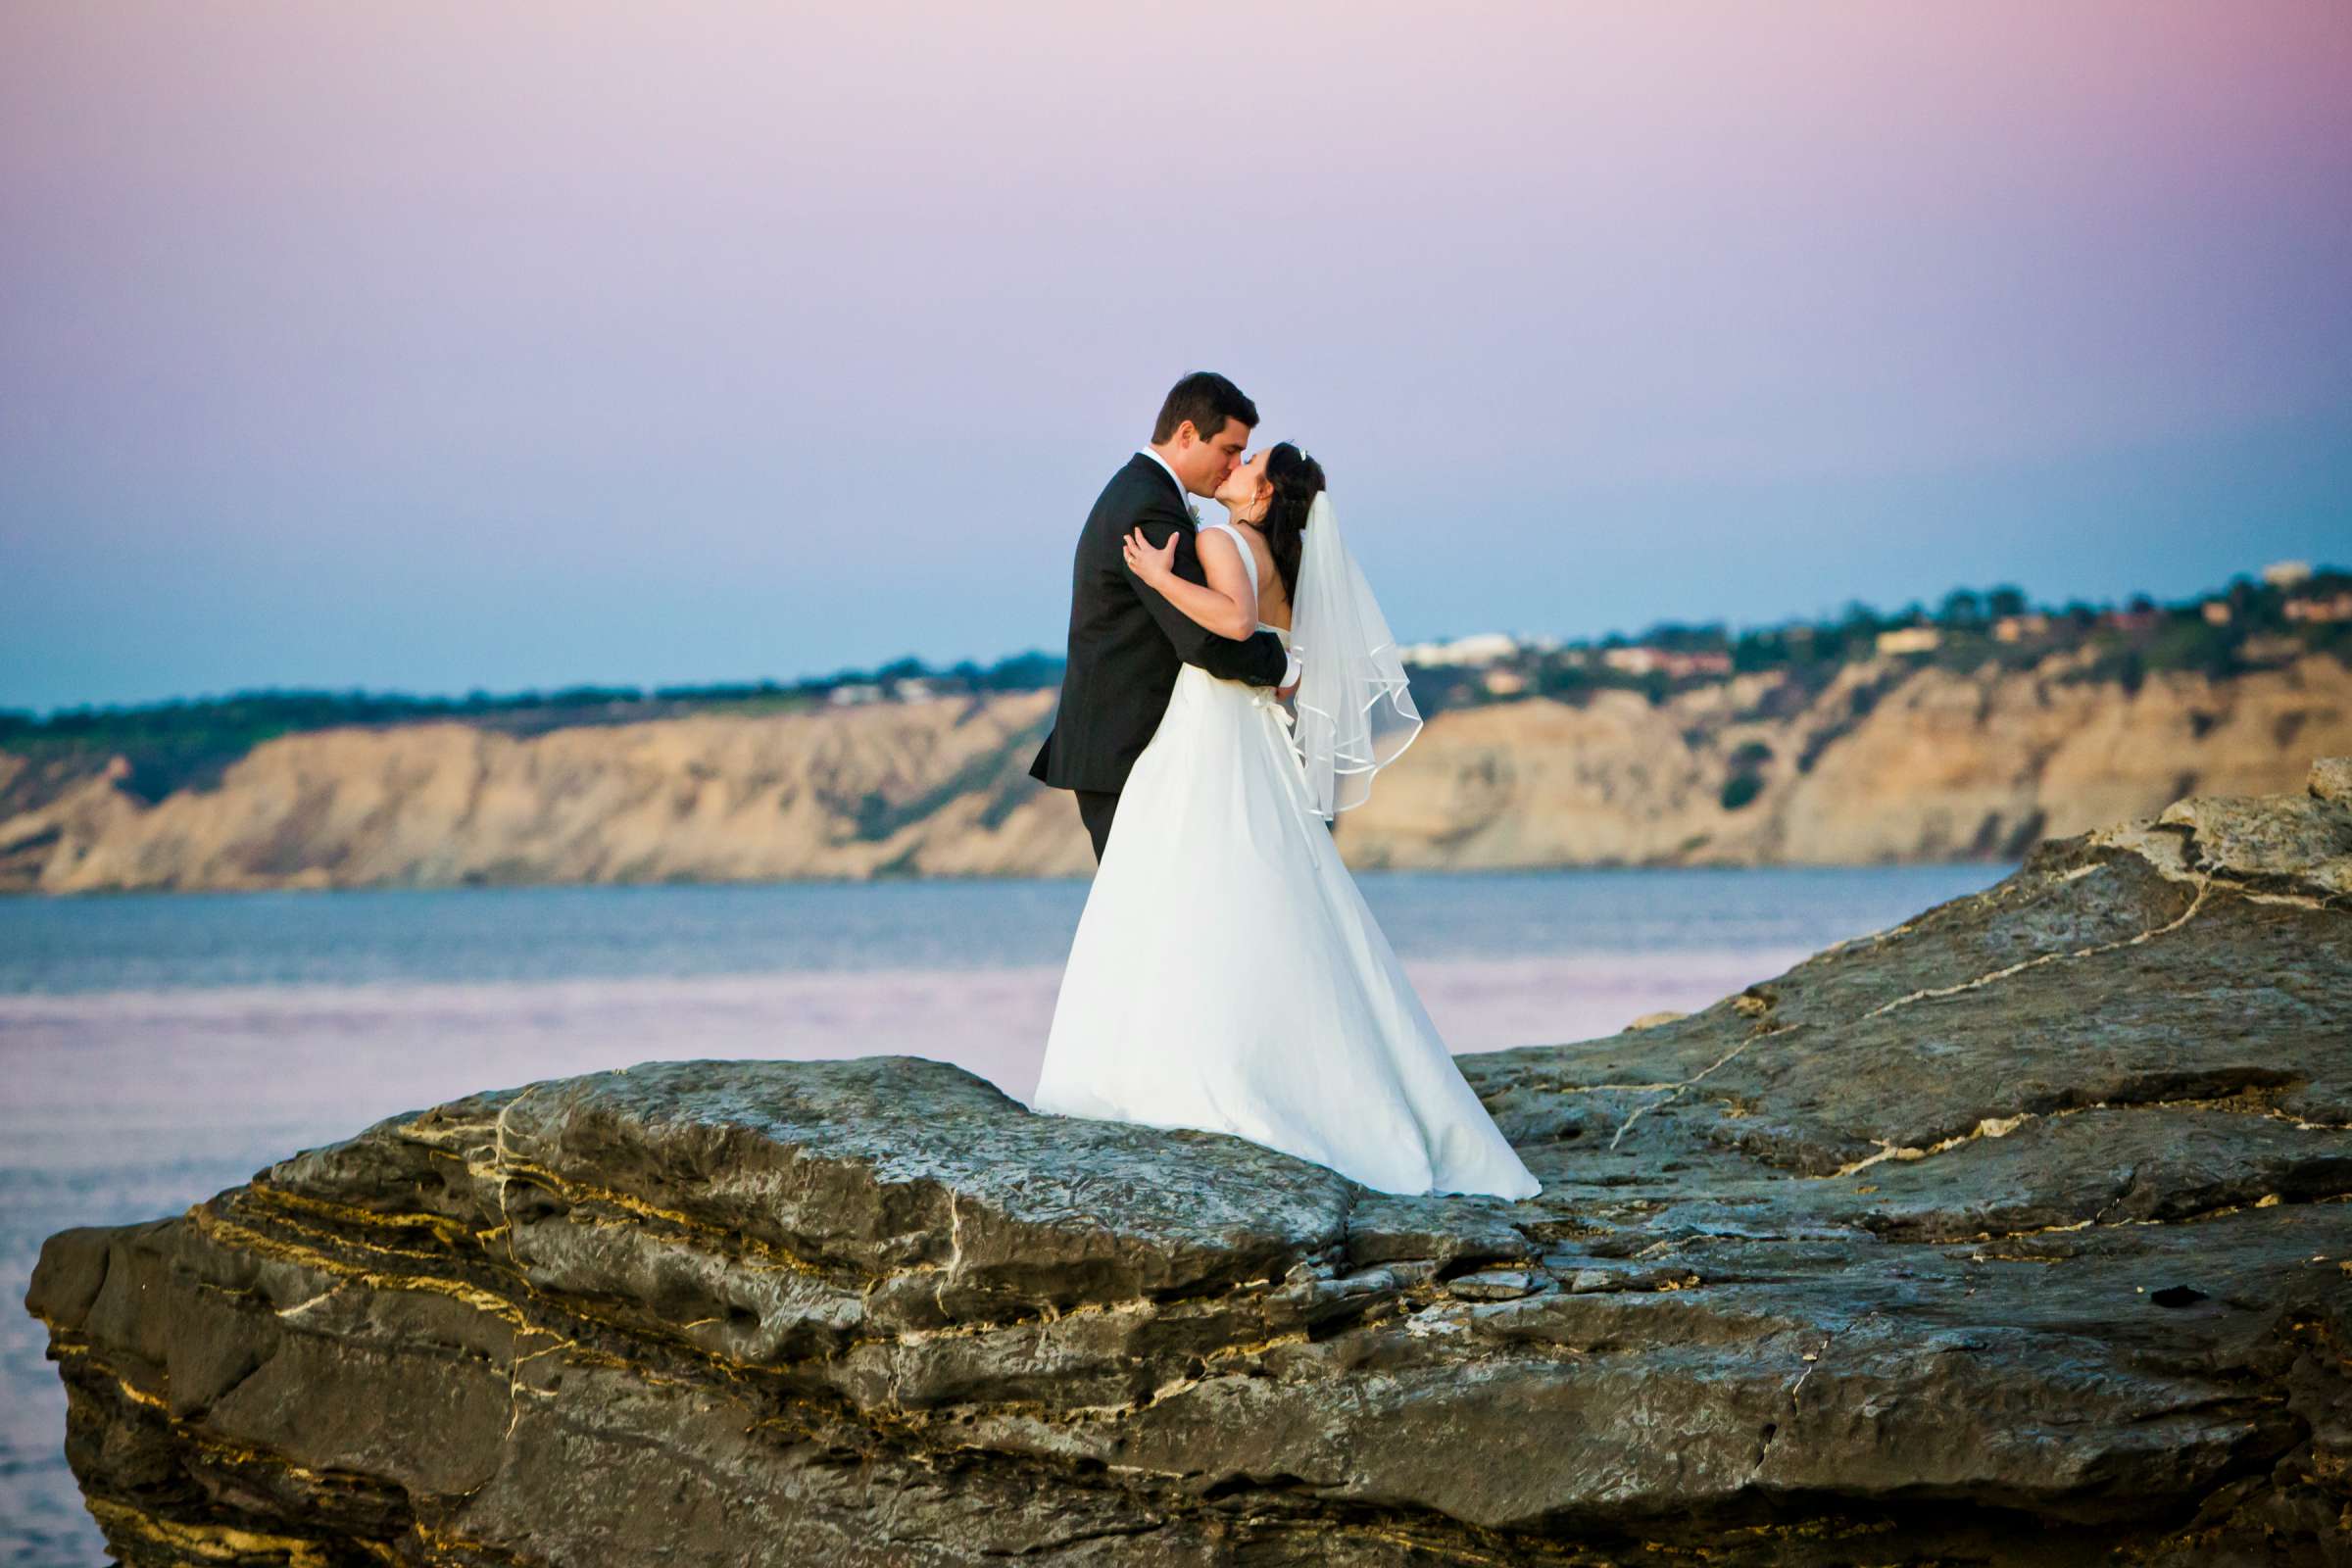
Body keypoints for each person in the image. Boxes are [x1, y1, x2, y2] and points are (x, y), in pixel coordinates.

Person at [1028, 432, 1543, 1200]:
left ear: (1264, 497)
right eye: (1234, 455)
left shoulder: (1220, 538)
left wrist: (1160, 579)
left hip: (1212, 733)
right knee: (1263, 887)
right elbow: (1270, 640)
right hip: (1251, 734)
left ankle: (1209, 1069)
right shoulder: (1286, 568)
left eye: (1249, 465)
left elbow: (1232, 628)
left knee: (1188, 884)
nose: (1234, 470)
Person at [1029, 370, 1298, 859]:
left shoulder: (1148, 492)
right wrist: (1282, 664)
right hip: (1124, 750)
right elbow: (1201, 638)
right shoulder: (1148, 505)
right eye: (1229, 449)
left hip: (1138, 746)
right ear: (1188, 434)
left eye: (1243, 455)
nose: (1233, 464)